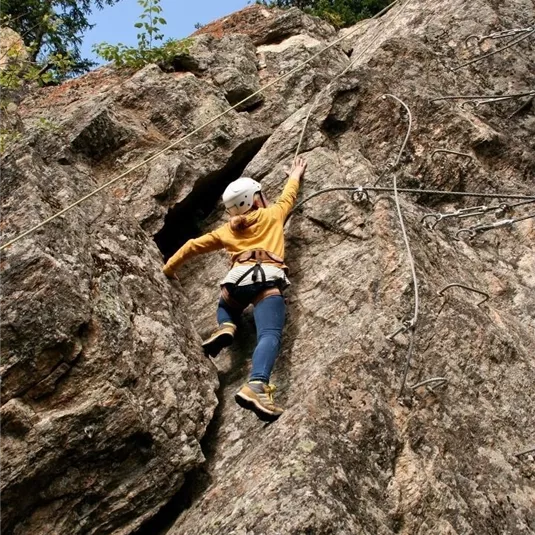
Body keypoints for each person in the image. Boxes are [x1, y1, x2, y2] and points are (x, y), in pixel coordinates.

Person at [162, 157, 307, 422]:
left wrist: (168, 270)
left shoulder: (225, 231)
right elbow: (289, 196)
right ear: (255, 199)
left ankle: (226, 325)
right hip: (267, 277)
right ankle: (256, 385)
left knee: (226, 307)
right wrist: (295, 174)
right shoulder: (272, 214)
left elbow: (192, 245)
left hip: (236, 280)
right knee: (269, 334)